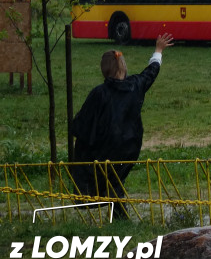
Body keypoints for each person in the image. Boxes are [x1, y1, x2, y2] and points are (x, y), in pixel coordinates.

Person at [70, 33, 174, 218]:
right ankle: (118, 213)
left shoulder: (98, 93)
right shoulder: (135, 85)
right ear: (123, 68)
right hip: (127, 149)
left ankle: (102, 203)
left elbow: (82, 125)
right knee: (116, 180)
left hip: (102, 151)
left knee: (100, 173)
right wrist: (158, 50)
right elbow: (151, 72)